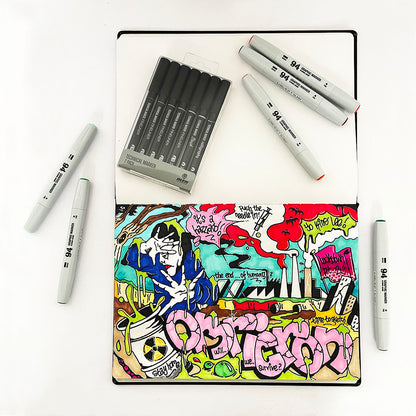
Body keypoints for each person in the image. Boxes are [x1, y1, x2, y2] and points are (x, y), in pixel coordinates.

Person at [124, 221, 218, 316]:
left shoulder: (189, 263)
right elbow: (130, 259)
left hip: (189, 318)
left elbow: (212, 295)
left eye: (168, 253)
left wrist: (191, 294)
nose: (163, 259)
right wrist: (145, 246)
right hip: (161, 317)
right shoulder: (157, 264)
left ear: (181, 250)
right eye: (160, 253)